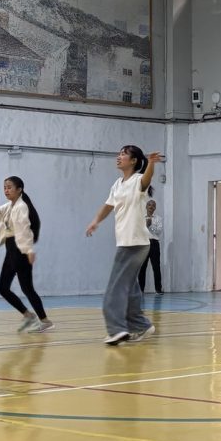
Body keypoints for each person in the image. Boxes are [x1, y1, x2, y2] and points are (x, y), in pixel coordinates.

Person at [86, 145, 164, 346]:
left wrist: (151, 163)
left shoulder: (138, 180)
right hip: (125, 242)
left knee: (114, 289)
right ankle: (141, 325)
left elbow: (147, 179)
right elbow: (108, 206)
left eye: (123, 154)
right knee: (130, 288)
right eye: (119, 153)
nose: (119, 157)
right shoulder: (117, 184)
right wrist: (96, 221)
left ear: (134, 160)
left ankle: (117, 330)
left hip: (135, 243)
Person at [0, 176, 55, 333]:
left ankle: (45, 321)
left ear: (19, 189)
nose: (6, 190)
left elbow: (24, 230)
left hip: (20, 250)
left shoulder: (21, 207)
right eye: (5, 187)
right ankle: (28, 315)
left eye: (9, 187)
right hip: (11, 250)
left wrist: (28, 250)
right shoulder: (10, 206)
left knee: (27, 289)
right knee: (3, 288)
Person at [138, 199, 163, 294]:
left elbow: (159, 231)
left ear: (155, 208)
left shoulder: (158, 218)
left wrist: (150, 225)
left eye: (153, 205)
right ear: (146, 206)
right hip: (143, 243)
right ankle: (140, 289)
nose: (151, 207)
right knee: (142, 267)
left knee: (156, 267)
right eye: (149, 205)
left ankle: (158, 289)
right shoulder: (141, 218)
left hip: (154, 244)